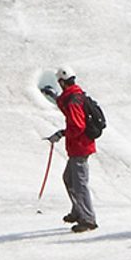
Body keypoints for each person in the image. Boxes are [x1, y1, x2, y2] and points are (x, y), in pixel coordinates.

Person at [40, 69, 98, 232]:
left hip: (80, 146)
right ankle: (78, 211)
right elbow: (67, 106)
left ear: (62, 82)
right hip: (79, 146)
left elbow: (78, 126)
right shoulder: (75, 95)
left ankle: (88, 219)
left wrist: (61, 133)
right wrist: (55, 97)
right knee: (69, 179)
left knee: (79, 184)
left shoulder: (73, 100)